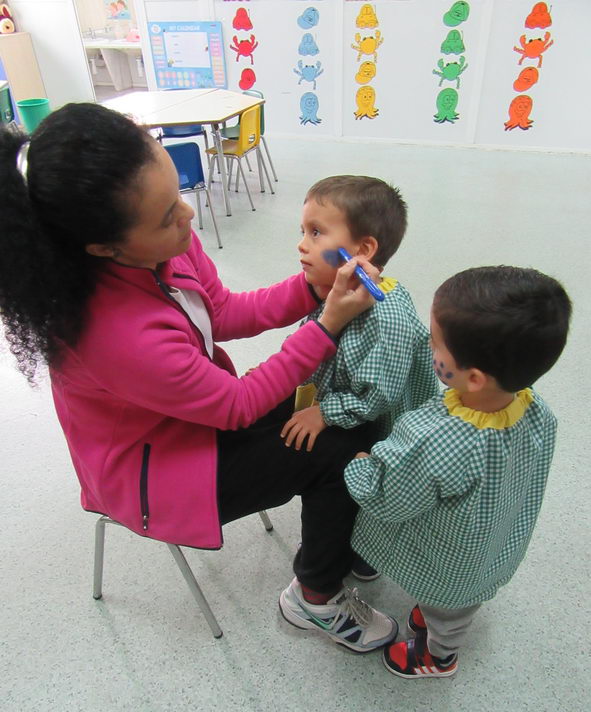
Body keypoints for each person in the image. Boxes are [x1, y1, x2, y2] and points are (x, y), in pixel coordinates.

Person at [0, 103, 397, 653]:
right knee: (337, 457)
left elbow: (225, 311)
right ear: (104, 248)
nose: (188, 217)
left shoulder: (162, 251)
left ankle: (337, 538)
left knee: (343, 415)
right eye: (166, 216)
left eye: (177, 194)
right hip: (160, 471)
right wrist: (327, 323)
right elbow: (237, 406)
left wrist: (315, 290)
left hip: (195, 417)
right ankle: (314, 597)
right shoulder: (113, 334)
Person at [344, 266, 571, 677]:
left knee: (450, 607)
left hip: (451, 560)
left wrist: (361, 468)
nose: (428, 346)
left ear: (474, 377)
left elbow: (389, 499)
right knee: (454, 597)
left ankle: (440, 655)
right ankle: (437, 620)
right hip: (493, 541)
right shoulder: (537, 410)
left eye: (435, 342)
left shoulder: (435, 436)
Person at [279, 175, 439, 581]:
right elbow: (318, 340)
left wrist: (325, 413)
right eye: (303, 231)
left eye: (316, 233)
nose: (302, 244)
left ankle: (366, 551)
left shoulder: (384, 317)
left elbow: (377, 397)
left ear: (365, 249)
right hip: (352, 403)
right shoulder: (337, 288)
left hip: (383, 423)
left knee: (372, 479)